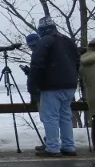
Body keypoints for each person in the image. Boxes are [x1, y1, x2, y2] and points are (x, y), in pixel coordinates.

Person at [29, 16, 79, 157]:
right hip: (69, 84)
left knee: (50, 117)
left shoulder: (44, 42)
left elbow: (37, 65)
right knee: (65, 116)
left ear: (41, 30)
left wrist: (34, 86)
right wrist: (74, 78)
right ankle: (69, 146)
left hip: (51, 85)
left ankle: (52, 147)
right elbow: (77, 61)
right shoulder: (68, 41)